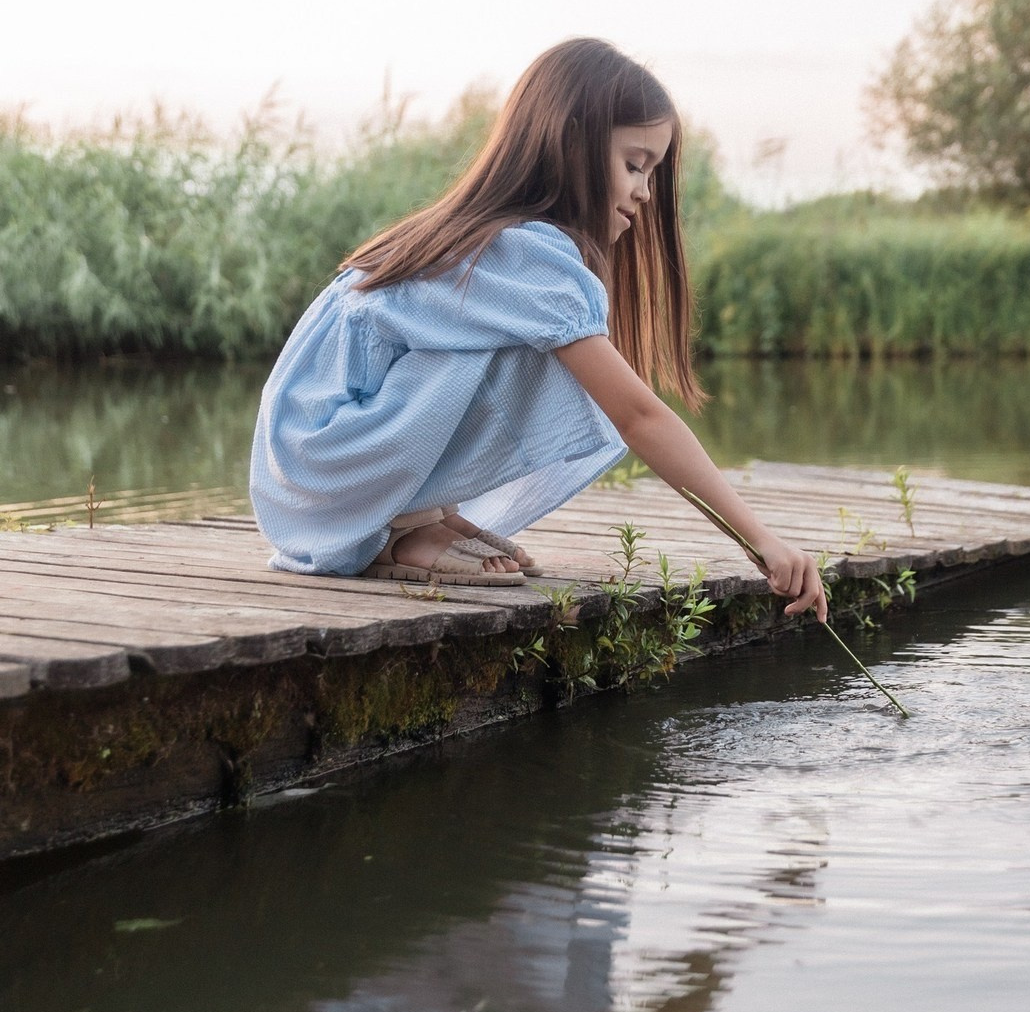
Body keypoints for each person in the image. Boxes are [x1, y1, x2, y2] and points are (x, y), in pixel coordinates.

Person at [250, 38, 827, 619]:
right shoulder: (526, 258)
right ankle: (404, 525)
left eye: (650, 173)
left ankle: (425, 515)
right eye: (633, 164)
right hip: (330, 476)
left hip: (307, 473)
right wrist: (762, 540)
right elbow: (638, 415)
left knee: (539, 338)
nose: (645, 192)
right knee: (559, 350)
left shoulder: (473, 239)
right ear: (570, 143)